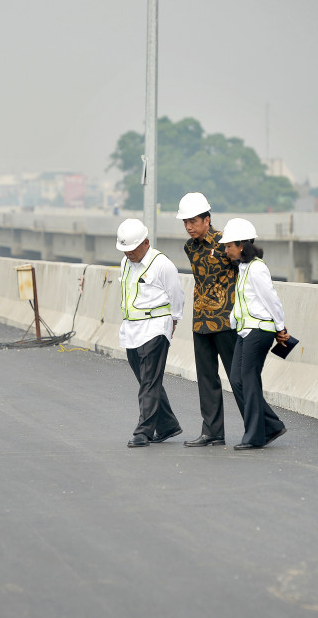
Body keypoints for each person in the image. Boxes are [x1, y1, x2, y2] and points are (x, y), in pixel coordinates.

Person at [219, 218, 289, 450]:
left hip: (259, 331)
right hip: (245, 330)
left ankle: (255, 436)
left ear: (241, 245)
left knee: (248, 381)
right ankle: (271, 426)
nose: (226, 249)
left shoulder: (257, 268)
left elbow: (272, 299)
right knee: (237, 379)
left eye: (229, 245)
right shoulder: (244, 267)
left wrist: (280, 328)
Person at [115, 218, 185, 447]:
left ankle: (143, 431)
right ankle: (168, 425)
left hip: (155, 327)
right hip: (132, 329)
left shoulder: (162, 264)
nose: (128, 254)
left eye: (132, 249)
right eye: (124, 250)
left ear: (145, 243)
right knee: (146, 379)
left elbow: (177, 295)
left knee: (149, 382)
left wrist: (173, 322)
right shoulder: (126, 263)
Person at [175, 192, 238, 448]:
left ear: (207, 219)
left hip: (225, 320)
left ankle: (264, 427)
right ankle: (212, 432)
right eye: (185, 222)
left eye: (193, 221)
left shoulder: (227, 242)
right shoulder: (189, 248)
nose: (189, 227)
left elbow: (244, 273)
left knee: (239, 377)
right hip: (201, 321)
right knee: (206, 378)